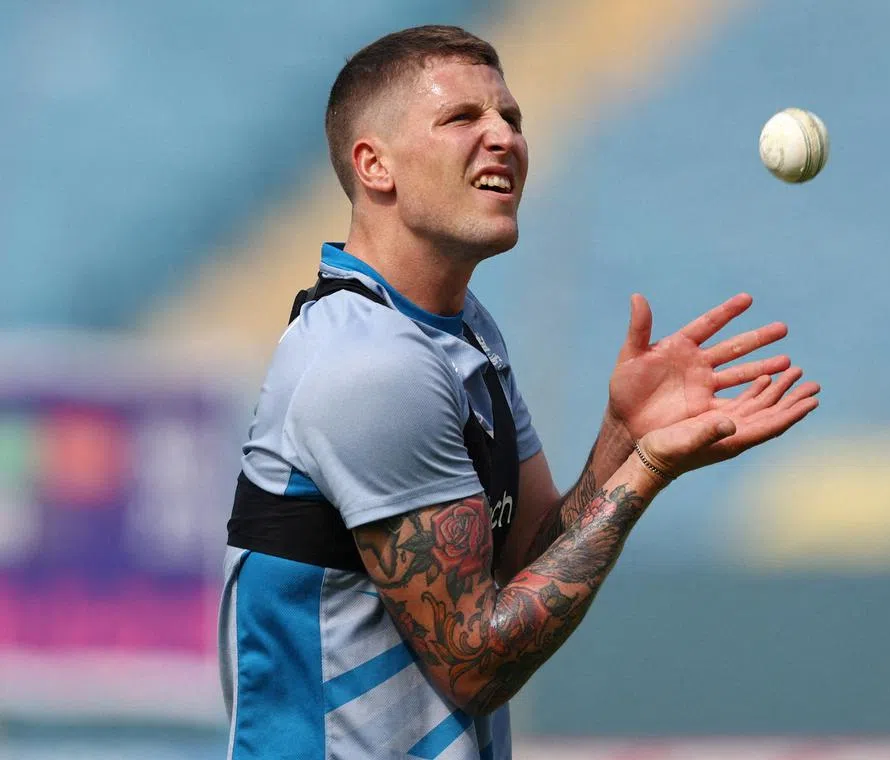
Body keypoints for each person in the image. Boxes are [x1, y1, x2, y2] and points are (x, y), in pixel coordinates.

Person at [218, 24, 819, 760]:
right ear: (375, 166)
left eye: (513, 119)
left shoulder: (462, 330)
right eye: (462, 118)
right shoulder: (364, 363)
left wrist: (621, 438)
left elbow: (523, 565)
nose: (504, 137)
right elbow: (477, 662)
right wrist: (647, 471)